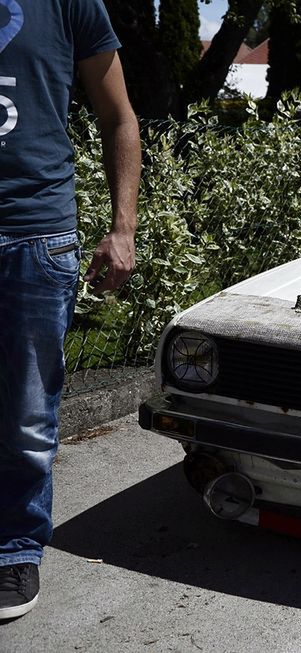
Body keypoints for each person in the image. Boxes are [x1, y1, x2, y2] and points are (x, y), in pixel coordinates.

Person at [0, 0, 140, 620]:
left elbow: (119, 117)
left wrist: (123, 228)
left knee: (27, 418)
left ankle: (13, 550)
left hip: (35, 234)